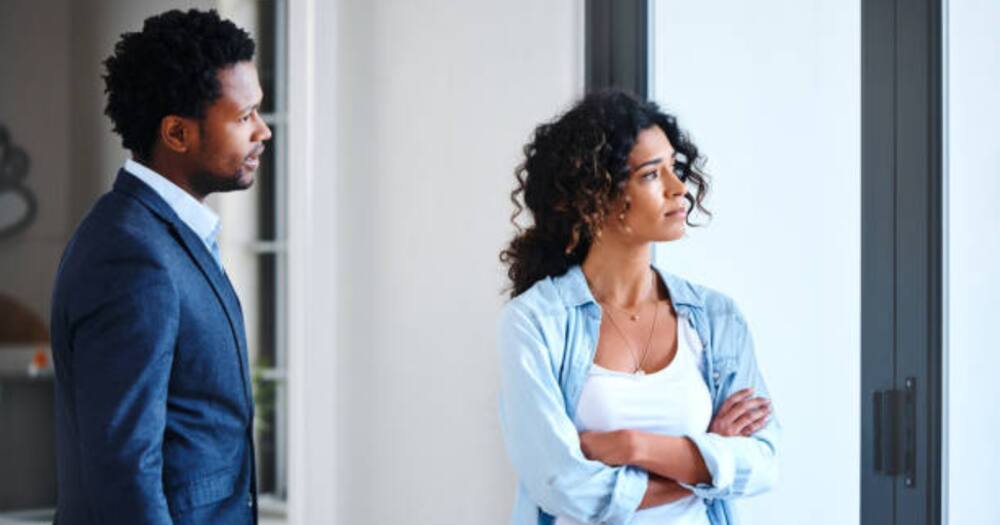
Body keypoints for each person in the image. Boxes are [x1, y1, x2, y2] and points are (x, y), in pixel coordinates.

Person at [497, 90, 779, 525]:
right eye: (651, 175)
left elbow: (761, 462)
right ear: (594, 195)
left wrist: (632, 445)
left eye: (675, 168)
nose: (678, 188)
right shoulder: (536, 321)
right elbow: (560, 484)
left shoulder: (717, 318)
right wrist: (703, 458)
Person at [50, 9, 271, 524]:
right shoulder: (130, 255)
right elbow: (125, 470)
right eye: (244, 117)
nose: (263, 131)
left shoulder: (165, 234)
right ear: (176, 133)